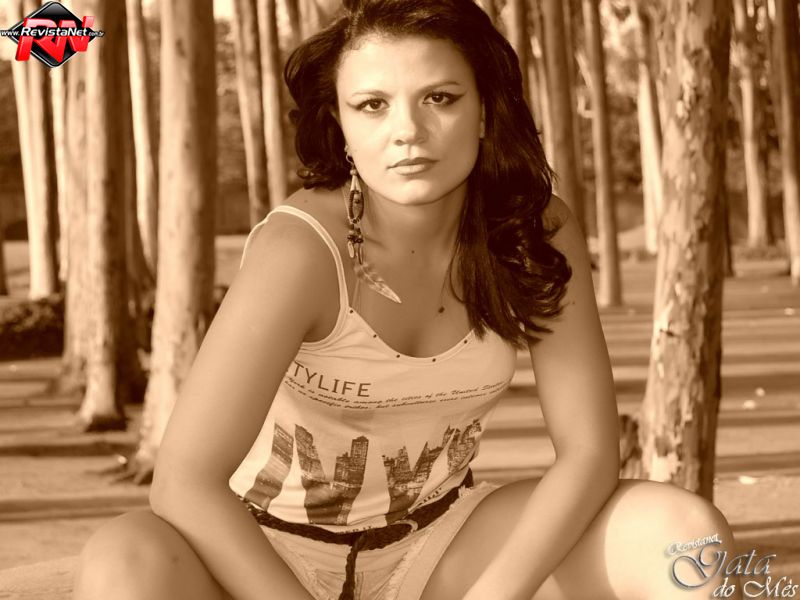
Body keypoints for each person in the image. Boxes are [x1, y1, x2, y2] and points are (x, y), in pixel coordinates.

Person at [74, 1, 741, 598]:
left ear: (485, 109)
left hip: (438, 544)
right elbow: (185, 480)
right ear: (339, 124)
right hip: (261, 551)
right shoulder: (300, 250)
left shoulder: (531, 232)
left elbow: (590, 450)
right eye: (373, 105)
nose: (408, 132)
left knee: (685, 534)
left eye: (440, 98)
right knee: (122, 561)